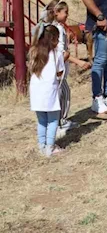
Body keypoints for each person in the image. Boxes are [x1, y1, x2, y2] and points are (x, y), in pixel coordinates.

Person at [40, 0, 91, 137]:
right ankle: (58, 124)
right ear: (57, 13)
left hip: (54, 69)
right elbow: (61, 53)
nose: (67, 15)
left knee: (62, 94)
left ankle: (59, 122)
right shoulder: (58, 29)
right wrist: (79, 62)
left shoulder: (50, 27)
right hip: (57, 70)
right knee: (62, 95)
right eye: (65, 12)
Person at [28, 25, 65, 156]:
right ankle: (50, 147)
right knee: (53, 120)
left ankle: (41, 145)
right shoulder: (57, 53)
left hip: (35, 89)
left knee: (42, 120)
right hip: (50, 90)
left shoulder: (33, 51)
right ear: (54, 38)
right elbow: (60, 71)